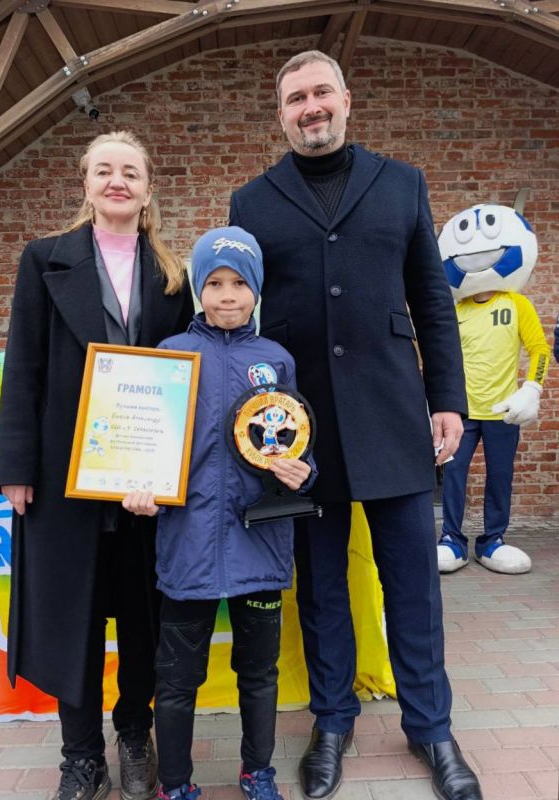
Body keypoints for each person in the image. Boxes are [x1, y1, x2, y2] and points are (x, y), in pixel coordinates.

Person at [230, 50, 482, 800]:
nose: (310, 107)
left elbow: (431, 298)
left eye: (320, 93)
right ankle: (332, 721)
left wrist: (448, 399)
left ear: (346, 98)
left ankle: (431, 727)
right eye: (295, 98)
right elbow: (239, 310)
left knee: (413, 582)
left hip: (392, 414)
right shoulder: (252, 202)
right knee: (321, 588)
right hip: (302, 430)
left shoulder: (402, 183)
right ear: (281, 114)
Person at [0, 131, 194, 800]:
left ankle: (134, 733)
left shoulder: (172, 277)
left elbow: (182, 380)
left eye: (130, 171)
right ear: (85, 183)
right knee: (70, 617)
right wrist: (16, 465)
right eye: (104, 170)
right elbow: (23, 365)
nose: (117, 181)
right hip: (61, 477)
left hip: (144, 482)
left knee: (141, 617)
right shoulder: (44, 260)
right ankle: (80, 756)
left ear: (147, 187)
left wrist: (170, 473)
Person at [122, 225, 314, 800]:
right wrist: (137, 486)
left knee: (259, 674)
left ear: (257, 289)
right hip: (189, 546)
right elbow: (143, 444)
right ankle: (175, 784)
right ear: (197, 289)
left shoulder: (276, 360)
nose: (227, 296)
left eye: (239, 284)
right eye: (214, 283)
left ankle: (258, 772)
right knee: (177, 679)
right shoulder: (171, 356)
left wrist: (304, 472)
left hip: (261, 544)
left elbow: (299, 438)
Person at [437, 203, 550, 574]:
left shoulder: (517, 304)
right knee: (454, 477)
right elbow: (440, 359)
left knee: (500, 476)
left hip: (503, 412)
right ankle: (452, 539)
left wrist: (532, 389)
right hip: (462, 412)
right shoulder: (455, 310)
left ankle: (492, 540)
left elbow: (539, 349)